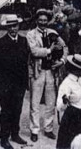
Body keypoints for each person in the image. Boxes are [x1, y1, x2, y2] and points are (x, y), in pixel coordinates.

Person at [0, 16, 30, 149]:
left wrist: (24, 81)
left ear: (18, 26)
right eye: (10, 26)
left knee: (17, 109)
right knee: (6, 111)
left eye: (15, 26)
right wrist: (6, 77)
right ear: (7, 28)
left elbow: (26, 61)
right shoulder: (0, 43)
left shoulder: (24, 41)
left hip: (20, 84)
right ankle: (4, 138)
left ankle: (15, 134)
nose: (13, 29)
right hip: (6, 84)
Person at [27, 9, 66, 142]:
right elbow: (34, 51)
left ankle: (48, 128)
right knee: (35, 102)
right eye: (40, 20)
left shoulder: (53, 33)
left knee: (51, 102)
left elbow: (64, 47)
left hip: (51, 72)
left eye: (45, 20)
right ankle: (34, 130)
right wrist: (50, 50)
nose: (43, 22)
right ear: (36, 20)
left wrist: (62, 61)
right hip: (37, 71)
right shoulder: (31, 34)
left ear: (48, 21)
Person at [56, 54, 81, 149]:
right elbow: (59, 107)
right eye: (79, 70)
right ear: (73, 69)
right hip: (72, 118)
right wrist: (65, 101)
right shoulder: (66, 83)